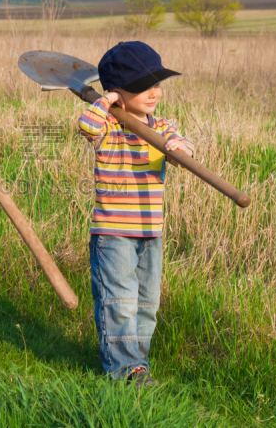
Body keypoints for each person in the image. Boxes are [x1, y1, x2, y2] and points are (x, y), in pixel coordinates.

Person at [78, 41, 194, 388]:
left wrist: (179, 148)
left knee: (146, 303)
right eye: (143, 86)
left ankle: (137, 364)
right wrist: (106, 103)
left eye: (157, 83)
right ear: (118, 91)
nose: (154, 92)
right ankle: (123, 369)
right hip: (113, 232)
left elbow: (183, 150)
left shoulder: (162, 127)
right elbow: (86, 126)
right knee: (119, 300)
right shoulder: (110, 128)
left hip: (150, 230)